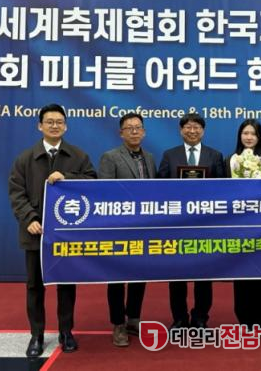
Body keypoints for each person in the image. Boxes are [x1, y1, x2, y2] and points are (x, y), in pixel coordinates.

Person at [8, 103, 97, 357]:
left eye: (59, 122)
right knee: (35, 286)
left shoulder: (78, 156)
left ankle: (66, 332)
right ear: (40, 126)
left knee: (66, 284)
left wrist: (68, 177)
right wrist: (29, 218)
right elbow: (16, 193)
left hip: (66, 234)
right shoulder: (25, 158)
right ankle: (36, 335)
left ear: (66, 126)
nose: (54, 126)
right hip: (35, 233)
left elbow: (93, 182)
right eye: (49, 122)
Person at [157, 113, 225, 329]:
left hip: (205, 225)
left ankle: (200, 317)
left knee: (204, 275)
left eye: (197, 127)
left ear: (203, 131)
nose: (192, 131)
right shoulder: (170, 155)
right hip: (177, 224)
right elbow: (159, 186)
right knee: (177, 274)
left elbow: (223, 188)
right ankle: (179, 318)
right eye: (188, 127)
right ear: (181, 130)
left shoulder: (215, 155)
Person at [98, 112, 156, 347]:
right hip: (119, 228)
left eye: (138, 127)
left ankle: (133, 318)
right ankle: (118, 324)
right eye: (129, 128)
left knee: (139, 274)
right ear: (121, 133)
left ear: (144, 132)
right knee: (116, 277)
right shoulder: (110, 157)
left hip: (143, 227)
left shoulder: (149, 158)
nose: (134, 131)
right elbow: (104, 193)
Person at [227, 119, 261, 331]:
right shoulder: (230, 161)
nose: (249, 137)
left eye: (253, 133)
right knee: (241, 272)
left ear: (260, 137)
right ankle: (244, 319)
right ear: (239, 136)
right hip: (238, 226)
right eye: (245, 133)